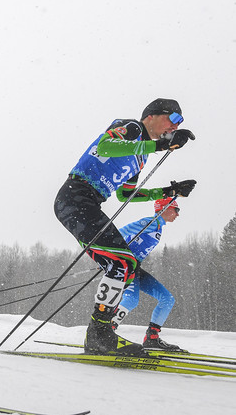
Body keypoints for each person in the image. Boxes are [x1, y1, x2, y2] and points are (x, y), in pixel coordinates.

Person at [53, 98, 196, 355]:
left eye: (179, 124)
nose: (174, 127)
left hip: (89, 202)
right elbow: (106, 146)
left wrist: (169, 190)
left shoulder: (140, 158)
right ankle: (99, 336)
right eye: (173, 119)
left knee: (125, 265)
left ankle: (100, 334)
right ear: (152, 116)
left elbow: (127, 195)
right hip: (75, 197)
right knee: (122, 262)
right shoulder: (131, 128)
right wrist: (160, 145)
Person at [112, 198, 184, 351]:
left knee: (167, 299)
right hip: (125, 265)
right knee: (131, 300)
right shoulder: (150, 222)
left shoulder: (158, 226)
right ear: (166, 209)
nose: (177, 214)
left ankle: (152, 338)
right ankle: (107, 331)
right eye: (176, 210)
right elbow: (120, 232)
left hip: (135, 267)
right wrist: (109, 256)